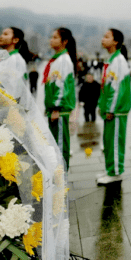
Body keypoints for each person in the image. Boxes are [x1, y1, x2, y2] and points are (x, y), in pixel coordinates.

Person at [97, 29, 131, 185]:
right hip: (110, 110)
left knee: (115, 142)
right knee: (109, 141)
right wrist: (102, 105)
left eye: (106, 37)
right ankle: (110, 168)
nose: (103, 39)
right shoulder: (111, 60)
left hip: (116, 111)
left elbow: (117, 87)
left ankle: (116, 172)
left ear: (116, 42)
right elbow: (107, 87)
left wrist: (111, 108)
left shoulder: (118, 61)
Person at [43, 27, 77, 170]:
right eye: (51, 37)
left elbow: (61, 86)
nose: (51, 40)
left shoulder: (63, 60)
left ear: (64, 41)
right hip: (54, 110)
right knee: (55, 144)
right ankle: (57, 173)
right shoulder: (56, 60)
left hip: (60, 110)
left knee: (60, 145)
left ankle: (62, 175)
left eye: (55, 37)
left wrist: (56, 108)